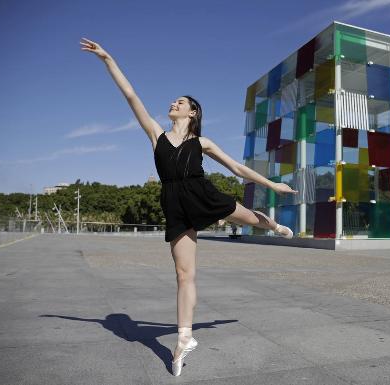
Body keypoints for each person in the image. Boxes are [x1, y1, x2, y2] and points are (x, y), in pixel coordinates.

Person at [80, 38, 297, 376]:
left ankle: (274, 226)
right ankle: (184, 339)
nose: (173, 103)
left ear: (192, 112)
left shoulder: (202, 142)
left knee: (251, 218)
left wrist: (272, 184)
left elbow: (237, 169)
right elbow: (130, 95)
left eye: (180, 102)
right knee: (184, 274)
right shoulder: (156, 134)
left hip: (203, 193)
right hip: (174, 202)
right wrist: (108, 59)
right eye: (173, 101)